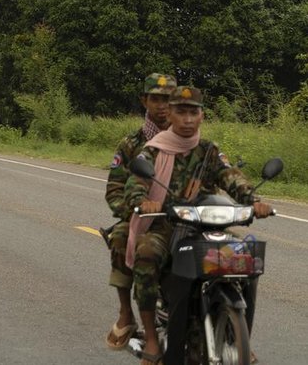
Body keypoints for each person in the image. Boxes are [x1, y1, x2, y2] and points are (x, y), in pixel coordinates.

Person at [124, 86, 272, 365]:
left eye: (194, 112)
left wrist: (255, 201)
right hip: (166, 225)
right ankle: (153, 341)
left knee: (245, 256)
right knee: (147, 254)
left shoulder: (209, 151)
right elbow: (136, 184)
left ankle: (239, 338)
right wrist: (144, 202)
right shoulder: (153, 151)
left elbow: (232, 178)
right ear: (170, 114)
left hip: (204, 226)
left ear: (202, 116)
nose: (188, 119)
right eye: (181, 112)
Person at [103, 73, 176, 350]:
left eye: (168, 99)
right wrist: (134, 212)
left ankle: (231, 327)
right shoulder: (131, 144)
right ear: (144, 100)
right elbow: (114, 189)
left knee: (232, 250)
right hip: (144, 219)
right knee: (121, 236)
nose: (162, 106)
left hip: (185, 218)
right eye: (156, 99)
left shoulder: (190, 140)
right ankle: (126, 314)